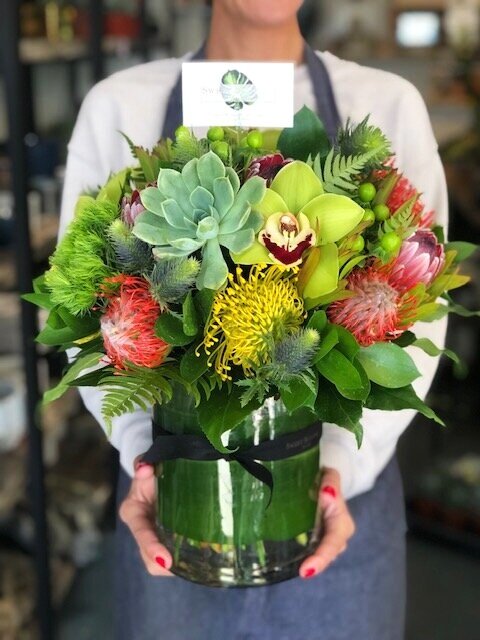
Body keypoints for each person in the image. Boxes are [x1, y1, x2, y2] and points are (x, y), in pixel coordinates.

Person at [59, 1, 448, 638]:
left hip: (341, 512)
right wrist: (144, 455)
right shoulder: (119, 107)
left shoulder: (387, 106)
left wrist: (339, 468)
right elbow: (89, 319)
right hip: (176, 509)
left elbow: (421, 318)